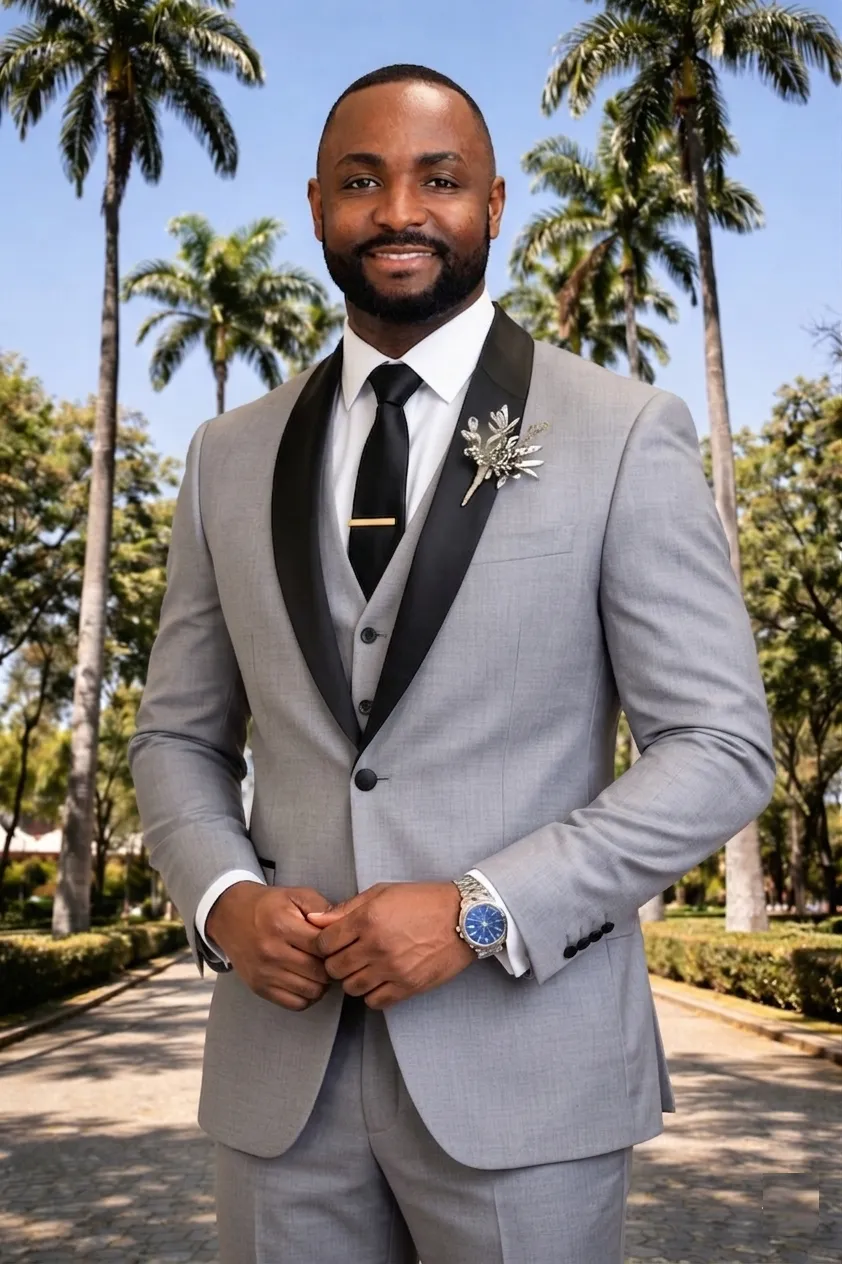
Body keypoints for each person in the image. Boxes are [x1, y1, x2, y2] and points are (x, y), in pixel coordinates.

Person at [128, 62, 776, 1264]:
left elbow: (720, 749)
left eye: (439, 179)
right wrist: (225, 899)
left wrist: (482, 912)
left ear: (494, 205)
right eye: (362, 181)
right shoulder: (227, 454)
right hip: (281, 1079)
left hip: (524, 1075)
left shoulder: (619, 431)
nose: (398, 211)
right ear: (317, 203)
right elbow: (175, 736)